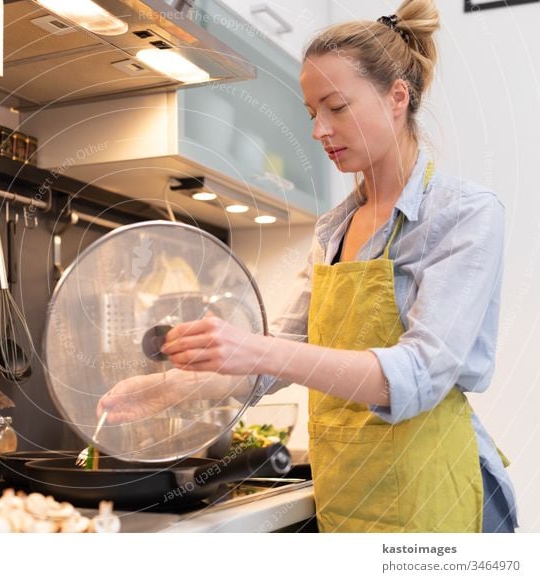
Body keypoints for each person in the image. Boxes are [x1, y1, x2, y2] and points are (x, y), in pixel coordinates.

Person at [98, 0, 518, 533]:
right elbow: (280, 357)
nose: (319, 129)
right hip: (352, 494)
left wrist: (252, 346)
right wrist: (168, 389)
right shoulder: (333, 230)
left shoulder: (464, 215)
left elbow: (417, 375)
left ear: (396, 97)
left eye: (336, 106)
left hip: (435, 494)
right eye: (310, 112)